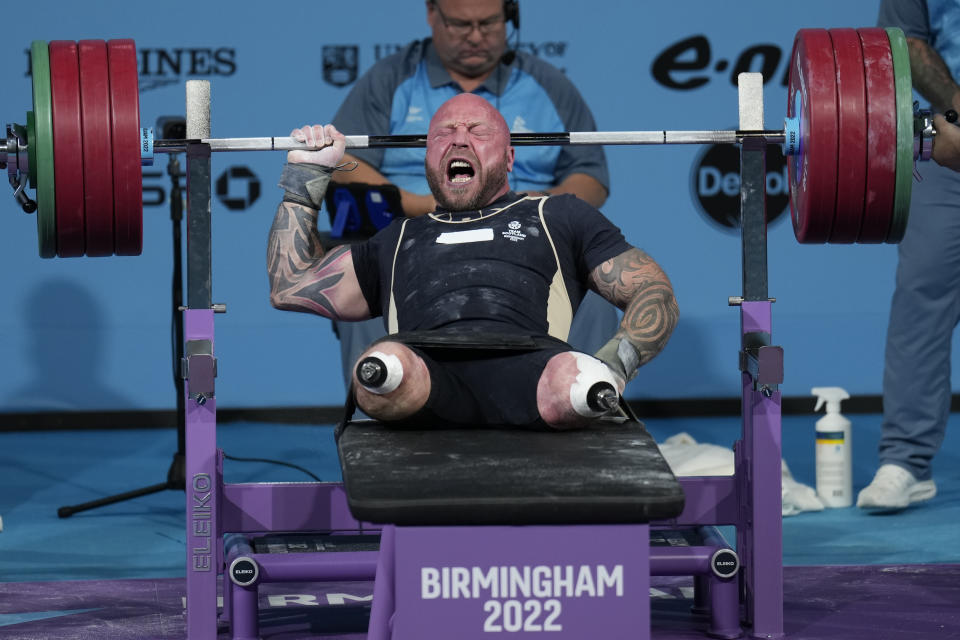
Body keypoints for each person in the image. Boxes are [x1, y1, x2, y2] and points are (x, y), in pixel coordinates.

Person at [268, 94, 677, 429]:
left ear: (510, 157)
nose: (459, 140)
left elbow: (652, 291)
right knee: (380, 369)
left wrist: (617, 363)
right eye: (444, 133)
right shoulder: (397, 237)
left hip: (536, 374)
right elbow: (291, 284)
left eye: (478, 131)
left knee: (578, 381)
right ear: (429, 157)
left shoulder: (558, 215)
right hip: (422, 377)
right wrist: (305, 176)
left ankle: (579, 384)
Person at [324, 0, 616, 389]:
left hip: (524, 236)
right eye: (461, 25)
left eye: (489, 23)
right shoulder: (390, 80)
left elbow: (591, 179)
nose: (476, 37)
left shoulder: (549, 86)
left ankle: (585, 417)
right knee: (367, 283)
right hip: (414, 234)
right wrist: (426, 205)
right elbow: (345, 165)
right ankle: (375, 433)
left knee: (595, 294)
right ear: (432, 15)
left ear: (509, 17)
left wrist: (533, 209)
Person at [860, 0, 960, 511]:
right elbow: (906, 41)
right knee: (923, 294)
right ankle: (906, 460)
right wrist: (957, 114)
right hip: (954, 142)